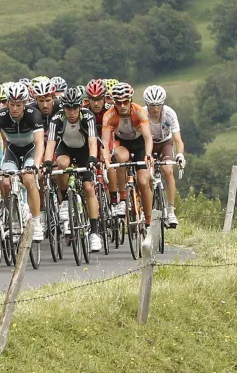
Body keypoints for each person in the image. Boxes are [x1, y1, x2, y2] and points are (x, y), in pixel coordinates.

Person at [43, 86, 103, 253]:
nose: (71, 112)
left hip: (84, 151)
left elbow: (92, 141)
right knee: (61, 163)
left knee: (88, 187)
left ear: (80, 106)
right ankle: (64, 201)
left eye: (75, 107)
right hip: (66, 149)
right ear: (63, 107)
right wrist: (47, 162)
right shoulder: (57, 119)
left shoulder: (88, 116)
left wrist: (92, 158)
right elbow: (51, 143)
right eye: (68, 108)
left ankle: (94, 233)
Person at [0, 81, 46, 244]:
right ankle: (13, 218)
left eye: (18, 105)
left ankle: (36, 221)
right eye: (11, 104)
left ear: (25, 103)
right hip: (12, 151)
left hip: (30, 150)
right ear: (7, 103)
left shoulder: (33, 114)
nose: (14, 108)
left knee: (28, 179)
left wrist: (36, 165)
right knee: (5, 183)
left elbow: (39, 143)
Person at [101, 82, 154, 238]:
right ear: (114, 102)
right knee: (121, 158)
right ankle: (123, 198)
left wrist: (148, 154)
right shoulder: (109, 115)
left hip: (140, 145)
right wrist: (106, 158)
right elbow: (104, 142)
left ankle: (149, 221)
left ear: (130, 100)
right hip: (122, 143)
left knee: (143, 182)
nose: (122, 106)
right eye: (118, 103)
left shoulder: (139, 112)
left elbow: (148, 137)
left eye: (125, 101)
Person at [143, 84, 185, 228]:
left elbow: (178, 140)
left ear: (163, 104)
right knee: (146, 175)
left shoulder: (170, 114)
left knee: (168, 171)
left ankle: (171, 210)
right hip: (147, 144)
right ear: (147, 104)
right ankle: (147, 208)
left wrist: (180, 154)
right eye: (152, 106)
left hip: (165, 143)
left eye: (158, 105)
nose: (155, 109)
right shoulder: (141, 113)